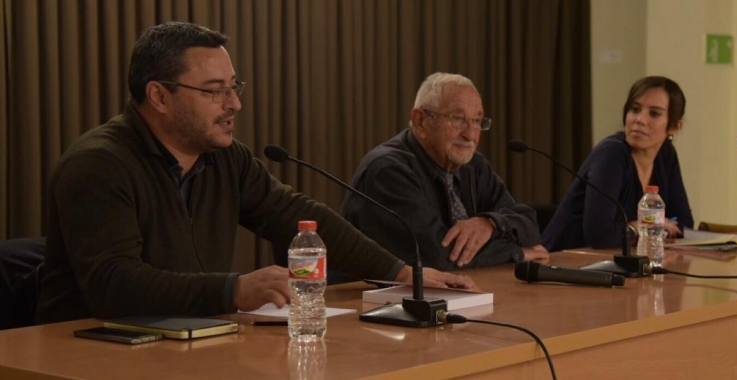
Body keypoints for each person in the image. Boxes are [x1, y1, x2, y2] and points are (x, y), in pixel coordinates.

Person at [36, 22, 474, 324]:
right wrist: (233, 291)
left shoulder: (226, 159)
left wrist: (398, 272)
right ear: (159, 96)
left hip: (189, 340)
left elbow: (297, 215)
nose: (234, 105)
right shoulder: (98, 165)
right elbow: (113, 285)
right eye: (215, 92)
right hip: (87, 353)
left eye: (234, 87)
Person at [341, 72, 549, 272]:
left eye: (477, 121)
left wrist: (490, 223)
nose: (470, 135)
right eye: (457, 118)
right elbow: (436, 257)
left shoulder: (474, 166)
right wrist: (517, 253)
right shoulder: (387, 171)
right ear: (421, 121)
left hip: (455, 293)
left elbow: (528, 227)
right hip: (366, 301)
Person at [542, 76, 694, 252]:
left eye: (654, 113)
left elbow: (683, 225)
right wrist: (644, 225)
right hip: (563, 264)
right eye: (635, 109)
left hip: (615, 264)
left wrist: (638, 227)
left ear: (675, 127)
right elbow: (600, 236)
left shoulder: (666, 155)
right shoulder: (611, 154)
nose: (640, 120)